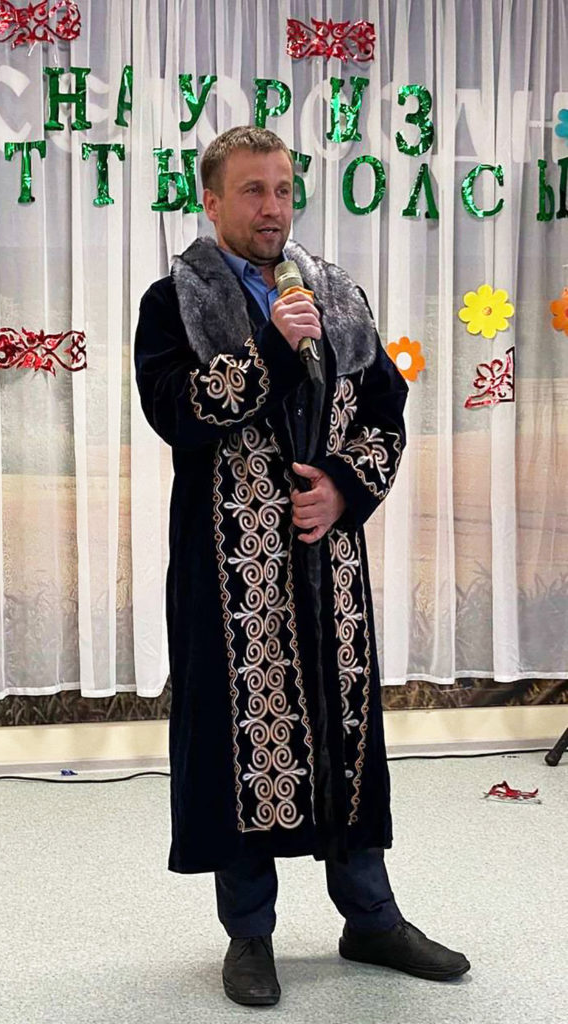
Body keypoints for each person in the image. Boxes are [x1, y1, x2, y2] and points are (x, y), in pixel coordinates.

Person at [134, 126, 470, 1007]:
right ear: (212, 201)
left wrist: (346, 490)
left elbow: (385, 415)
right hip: (230, 574)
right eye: (253, 191)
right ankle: (250, 934)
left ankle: (372, 918)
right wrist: (274, 354)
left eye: (283, 189)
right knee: (240, 743)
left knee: (346, 737)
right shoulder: (174, 303)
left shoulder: (339, 296)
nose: (273, 208)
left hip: (330, 572)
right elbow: (177, 410)